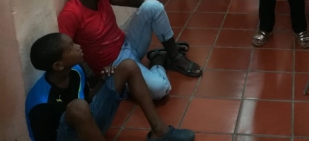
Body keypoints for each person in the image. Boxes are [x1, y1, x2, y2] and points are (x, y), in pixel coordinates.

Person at [58, 0, 202, 101]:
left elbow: (138, 1)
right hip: (116, 67)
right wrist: (96, 78)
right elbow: (66, 54)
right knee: (160, 89)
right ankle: (158, 59)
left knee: (152, 6)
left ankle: (175, 56)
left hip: (129, 44)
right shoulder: (71, 13)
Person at [25, 33, 195, 141]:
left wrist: (103, 81)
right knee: (77, 107)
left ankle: (160, 131)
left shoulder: (76, 70)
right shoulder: (40, 103)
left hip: (89, 128)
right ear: (58, 65)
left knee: (127, 65)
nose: (78, 47)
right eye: (71, 47)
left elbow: (88, 101)